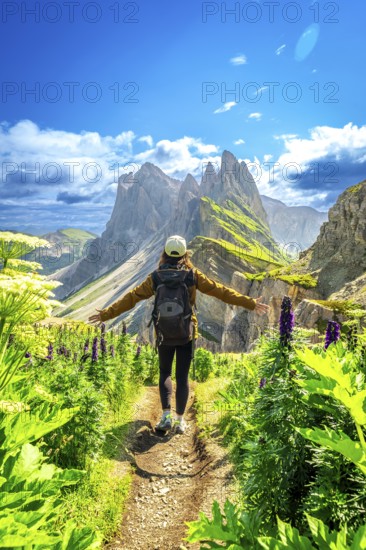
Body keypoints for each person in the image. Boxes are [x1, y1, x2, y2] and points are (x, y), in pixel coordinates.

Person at [88, 235, 270, 434]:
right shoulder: (192, 275)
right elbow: (221, 291)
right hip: (186, 333)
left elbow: (132, 298)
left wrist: (106, 314)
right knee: (182, 377)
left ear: (165, 254)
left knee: (165, 372)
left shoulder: (156, 277)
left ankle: (165, 416)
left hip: (164, 333)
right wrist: (250, 303)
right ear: (185, 254)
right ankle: (180, 421)